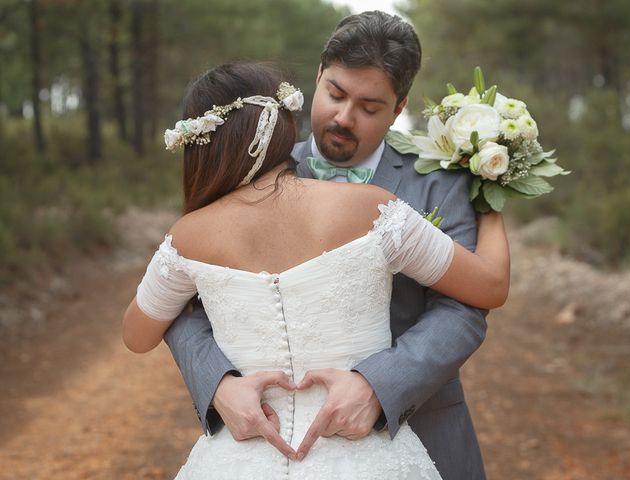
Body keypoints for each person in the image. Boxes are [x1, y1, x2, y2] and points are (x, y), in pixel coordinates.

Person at [122, 61, 509, 479]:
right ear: (281, 125)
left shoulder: (187, 236)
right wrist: (490, 201)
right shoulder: (371, 207)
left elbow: (137, 335)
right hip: (367, 460)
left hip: (241, 460)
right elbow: (489, 287)